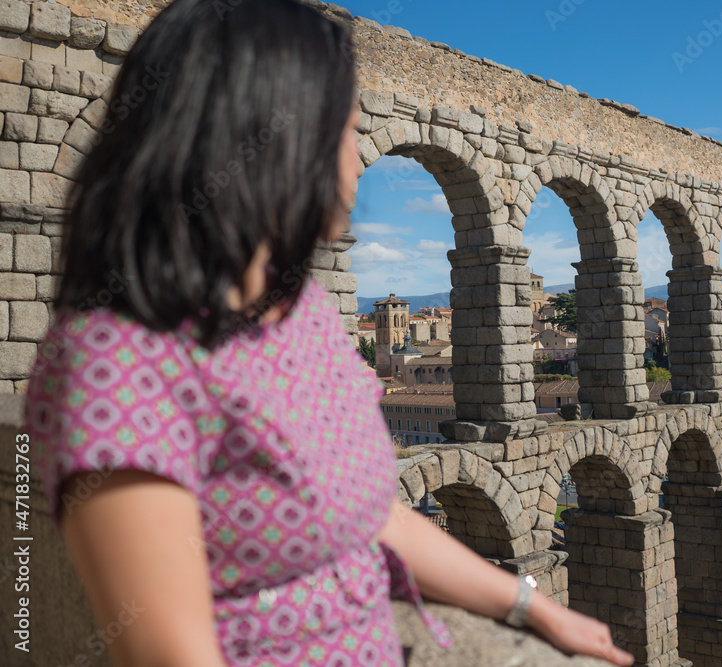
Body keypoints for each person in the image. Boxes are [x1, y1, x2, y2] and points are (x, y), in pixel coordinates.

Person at [22, 1, 634, 665]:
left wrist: (530, 601)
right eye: (346, 129)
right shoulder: (113, 366)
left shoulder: (301, 312)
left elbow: (374, 512)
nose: (356, 157)